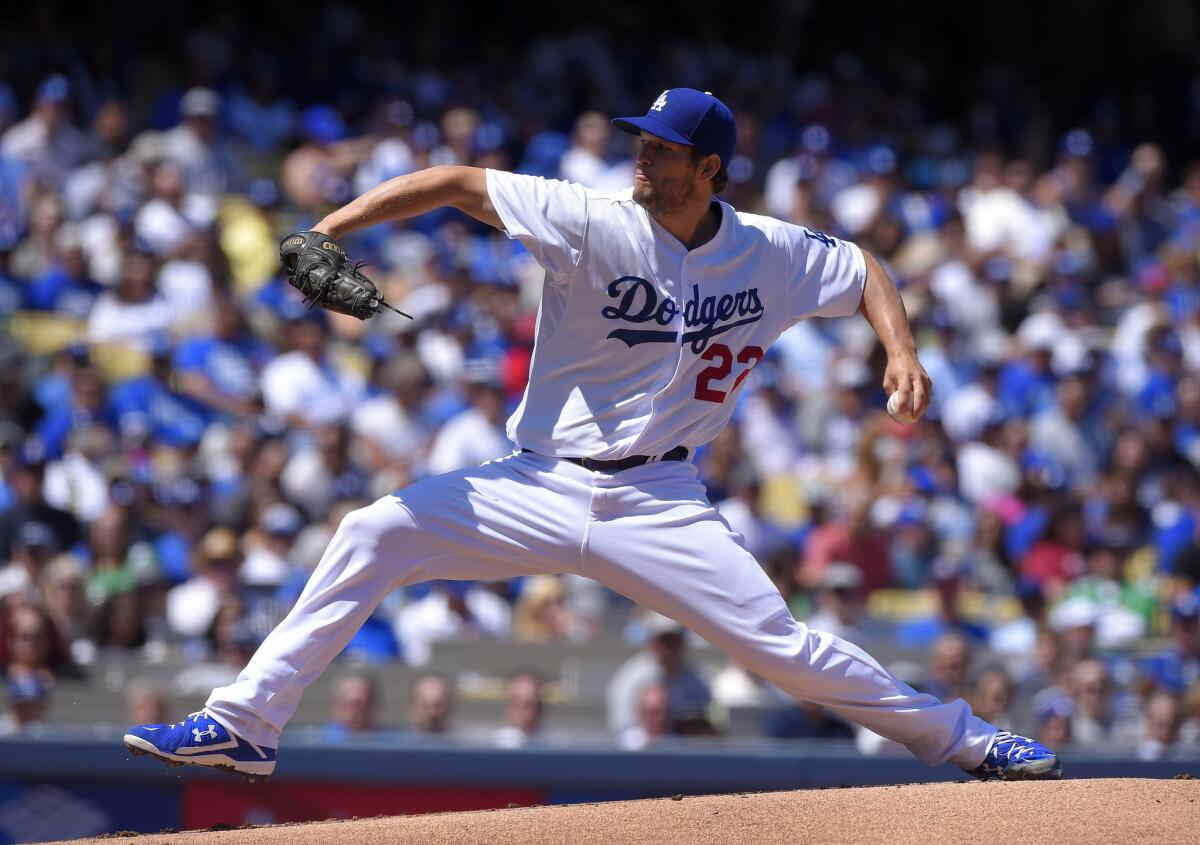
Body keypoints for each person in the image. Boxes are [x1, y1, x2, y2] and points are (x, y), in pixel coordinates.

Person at [124, 88, 1060, 782]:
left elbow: (861, 267)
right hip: (537, 482)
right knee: (374, 529)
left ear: (710, 171)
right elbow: (455, 182)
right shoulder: (592, 219)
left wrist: (898, 348)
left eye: (661, 150)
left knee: (780, 649)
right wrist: (330, 227)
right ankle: (245, 723)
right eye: (641, 142)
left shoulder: (766, 251)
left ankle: (967, 740)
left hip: (661, 498)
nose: (641, 159)